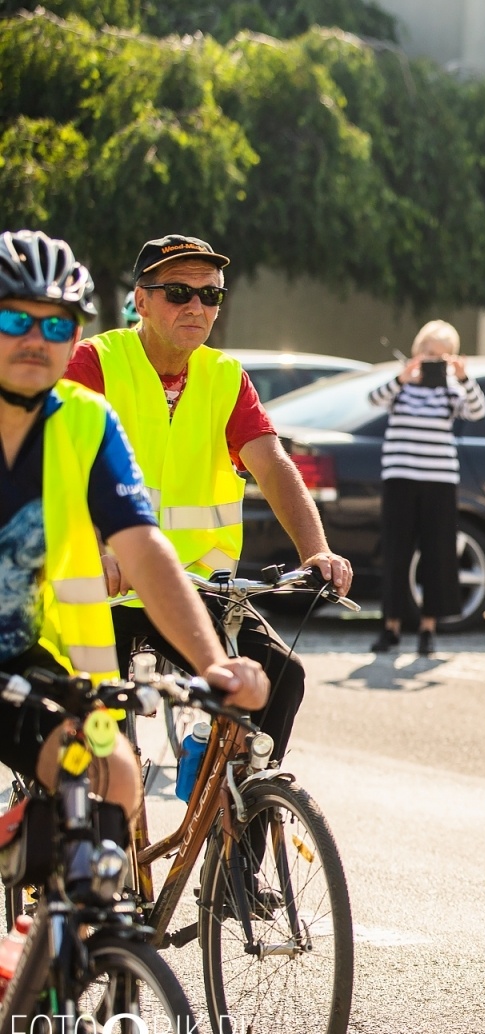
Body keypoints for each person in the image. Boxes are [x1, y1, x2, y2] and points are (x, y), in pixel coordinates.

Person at [0, 229, 268, 835]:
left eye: (57, 326)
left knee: (114, 785)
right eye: (16, 321)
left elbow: (144, 548)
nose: (36, 342)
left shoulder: (84, 420)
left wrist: (212, 664)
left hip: (26, 659)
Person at [63, 234, 352, 768]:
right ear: (142, 301)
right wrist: (96, 544)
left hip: (194, 587)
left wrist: (317, 551)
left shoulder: (224, 378)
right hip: (102, 591)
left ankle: (239, 822)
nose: (196, 306)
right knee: (99, 737)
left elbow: (272, 464)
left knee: (280, 675)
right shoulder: (94, 363)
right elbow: (58, 466)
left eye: (211, 295)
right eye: (178, 292)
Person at [367, 320, 485, 656]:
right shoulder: (400, 386)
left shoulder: (452, 389)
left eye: (441, 355)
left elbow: (478, 412)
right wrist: (403, 377)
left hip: (439, 479)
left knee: (437, 553)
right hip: (400, 477)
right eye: (428, 352)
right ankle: (390, 627)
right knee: (396, 552)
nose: (434, 359)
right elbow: (373, 400)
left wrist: (463, 377)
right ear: (417, 351)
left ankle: (428, 628)